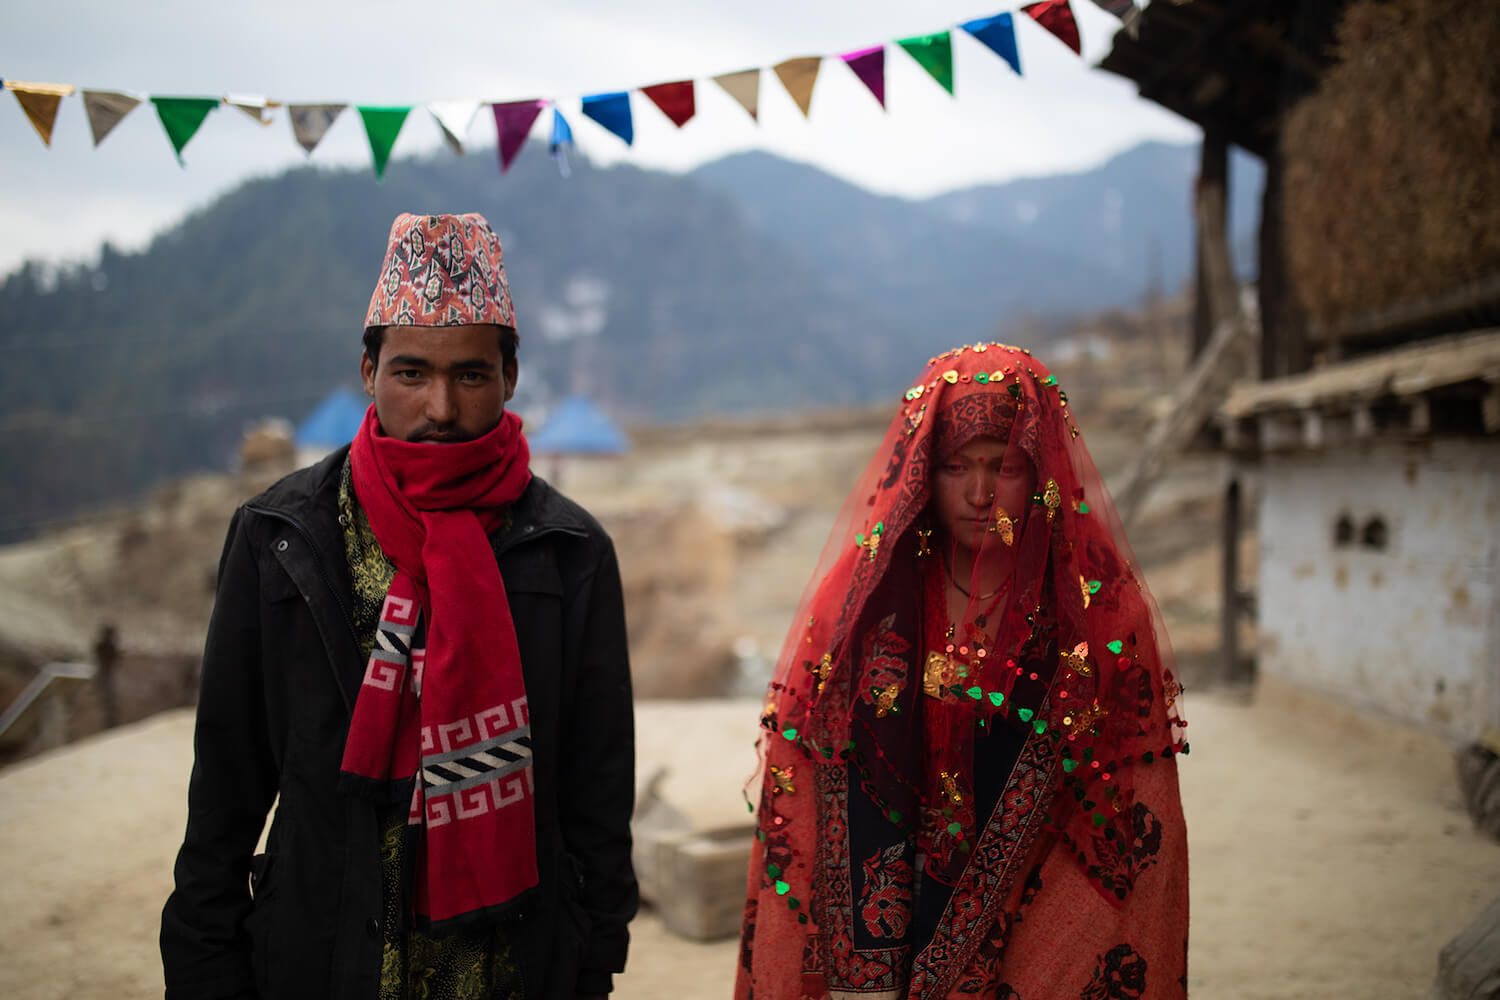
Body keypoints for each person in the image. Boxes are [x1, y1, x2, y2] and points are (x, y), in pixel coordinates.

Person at [161, 212, 638, 1000]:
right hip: (322, 959)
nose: (440, 408)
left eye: (470, 376)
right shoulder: (282, 537)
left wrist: (593, 960)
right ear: (369, 370)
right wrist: (204, 965)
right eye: (412, 373)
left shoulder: (568, 550)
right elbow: (227, 780)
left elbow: (598, 791)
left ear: (510, 377)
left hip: (510, 968)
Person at [737, 343, 1189, 998]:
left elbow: (1127, 808)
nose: (980, 495)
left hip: (1039, 918)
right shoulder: (864, 606)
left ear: (1040, 469)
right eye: (955, 467)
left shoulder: (1100, 616)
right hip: (883, 926)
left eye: (1004, 467)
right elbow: (813, 772)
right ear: (922, 471)